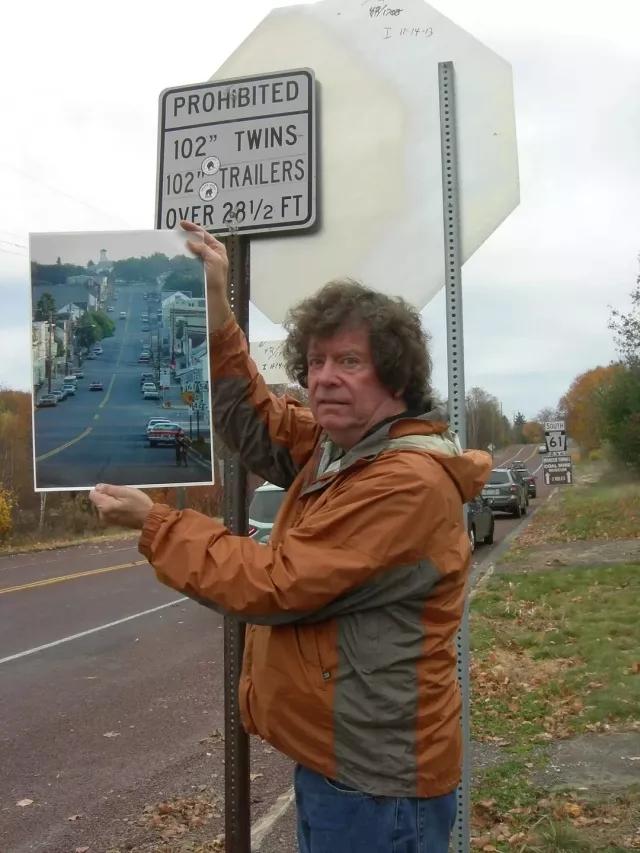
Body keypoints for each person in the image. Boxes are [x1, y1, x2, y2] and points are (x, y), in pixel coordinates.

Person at [90, 221, 492, 853]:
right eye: (317, 362)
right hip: (341, 769)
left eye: (349, 361)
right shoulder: (344, 448)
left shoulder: (403, 482)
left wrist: (155, 524)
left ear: (395, 378)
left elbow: (274, 583)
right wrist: (215, 305)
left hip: (378, 788)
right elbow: (255, 419)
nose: (325, 377)